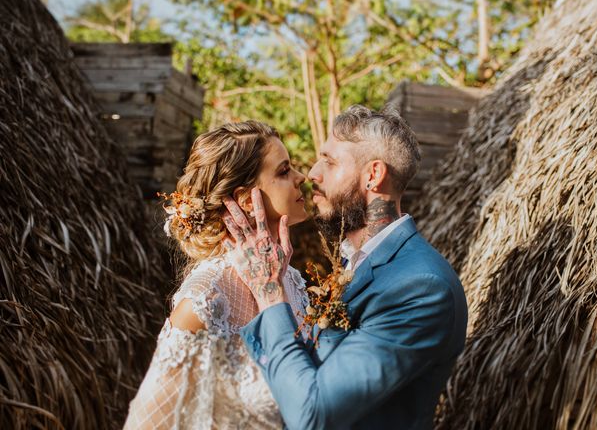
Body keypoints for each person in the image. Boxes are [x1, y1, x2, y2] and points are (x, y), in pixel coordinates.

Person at [223, 104, 468, 430]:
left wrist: (270, 291)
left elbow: (313, 416)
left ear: (373, 175)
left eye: (329, 161)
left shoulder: (421, 287)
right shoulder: (352, 262)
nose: (312, 174)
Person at [123, 121, 309, 429]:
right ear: (249, 199)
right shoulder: (205, 298)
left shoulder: (292, 281)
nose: (301, 177)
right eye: (284, 171)